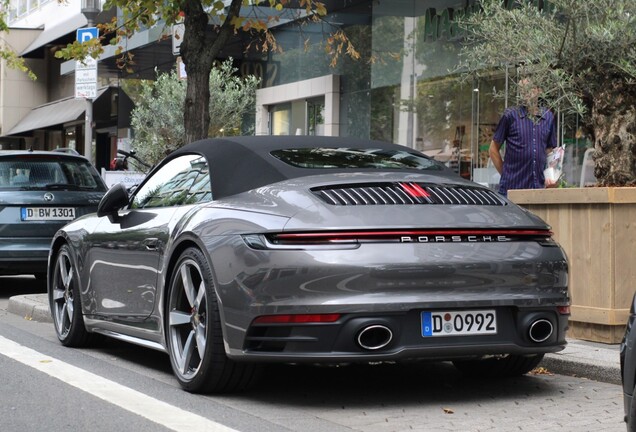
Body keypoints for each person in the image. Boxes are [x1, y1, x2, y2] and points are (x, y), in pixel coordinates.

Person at [489, 77, 557, 197]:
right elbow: (493, 149)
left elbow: (550, 152)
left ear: (538, 90)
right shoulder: (510, 116)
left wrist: (551, 176)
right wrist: (505, 174)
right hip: (512, 190)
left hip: (538, 191)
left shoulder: (548, 117)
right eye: (522, 89)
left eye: (529, 88)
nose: (525, 93)